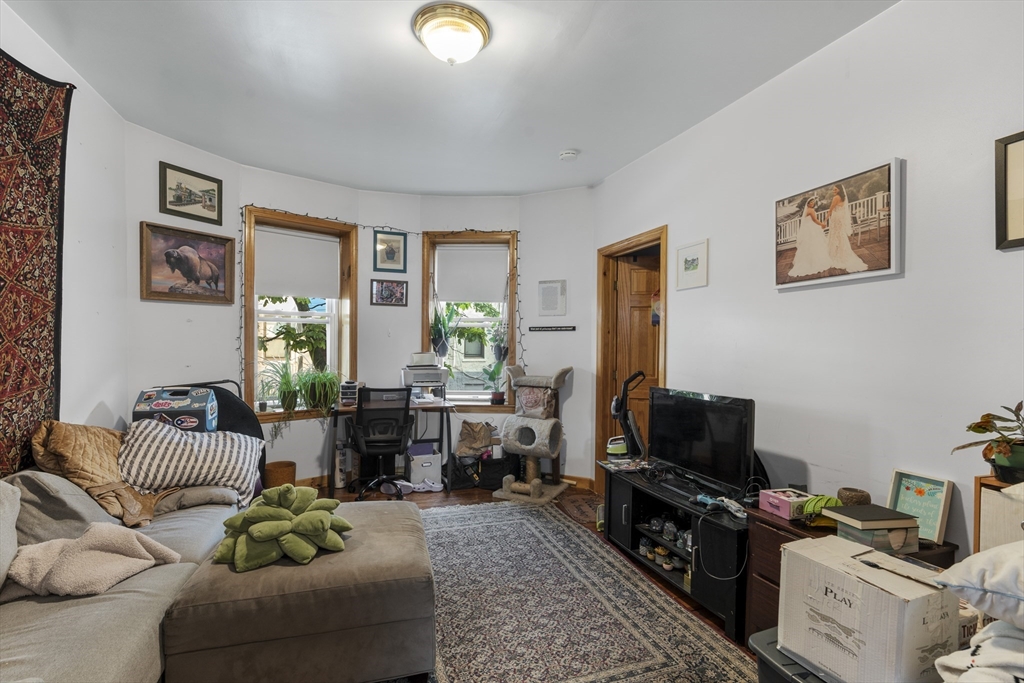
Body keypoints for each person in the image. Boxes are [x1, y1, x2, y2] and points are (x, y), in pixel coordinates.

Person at [825, 184, 868, 273]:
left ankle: (834, 254)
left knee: (835, 234)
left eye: (835, 189)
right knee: (840, 235)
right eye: (833, 189)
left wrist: (825, 220)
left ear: (840, 190)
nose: (834, 191)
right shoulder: (843, 198)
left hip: (836, 218)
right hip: (840, 218)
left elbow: (830, 209)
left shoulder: (836, 198)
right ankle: (842, 253)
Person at [787, 196, 832, 277]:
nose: (812, 203)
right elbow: (815, 220)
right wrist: (822, 224)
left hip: (809, 228)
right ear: (807, 203)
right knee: (813, 244)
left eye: (813, 202)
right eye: (810, 202)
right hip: (811, 228)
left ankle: (810, 261)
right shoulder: (810, 210)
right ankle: (814, 262)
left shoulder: (807, 210)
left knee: (811, 245)